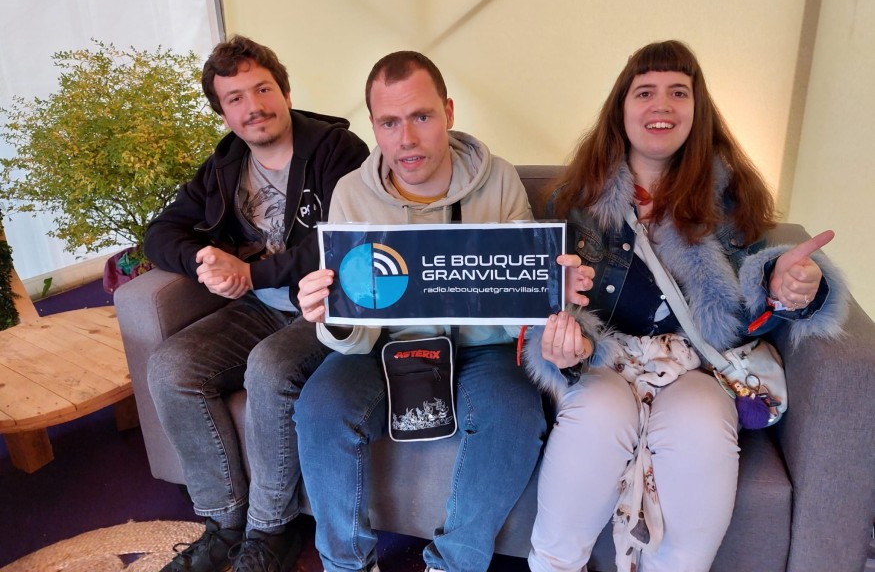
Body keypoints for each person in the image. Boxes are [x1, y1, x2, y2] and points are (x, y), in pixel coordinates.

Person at [521, 40, 849, 572]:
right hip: (606, 360)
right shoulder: (574, 200)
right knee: (598, 412)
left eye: (678, 92)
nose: (662, 105)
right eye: (645, 92)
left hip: (693, 366)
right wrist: (561, 337)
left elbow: (755, 297)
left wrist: (789, 285)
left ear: (698, 110)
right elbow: (544, 300)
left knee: (702, 420)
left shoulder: (733, 199)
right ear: (620, 109)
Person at [295, 51, 578, 572]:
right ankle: (345, 565)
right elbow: (355, 334)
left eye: (421, 117)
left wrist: (547, 291)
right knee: (319, 408)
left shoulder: (498, 180)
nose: (406, 139)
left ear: (448, 112)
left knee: (515, 415)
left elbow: (518, 308)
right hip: (383, 346)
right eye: (389, 122)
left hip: (483, 349)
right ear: (373, 126)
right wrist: (332, 314)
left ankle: (453, 564)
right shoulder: (352, 194)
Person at [145, 35, 369, 572]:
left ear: (285, 92)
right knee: (171, 367)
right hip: (259, 308)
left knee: (270, 366)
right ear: (223, 113)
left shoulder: (339, 151)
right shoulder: (225, 164)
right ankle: (225, 522)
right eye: (236, 98)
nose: (254, 106)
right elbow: (160, 233)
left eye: (263, 89)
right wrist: (204, 258)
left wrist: (252, 272)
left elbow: (345, 240)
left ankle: (272, 530)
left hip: (327, 305)